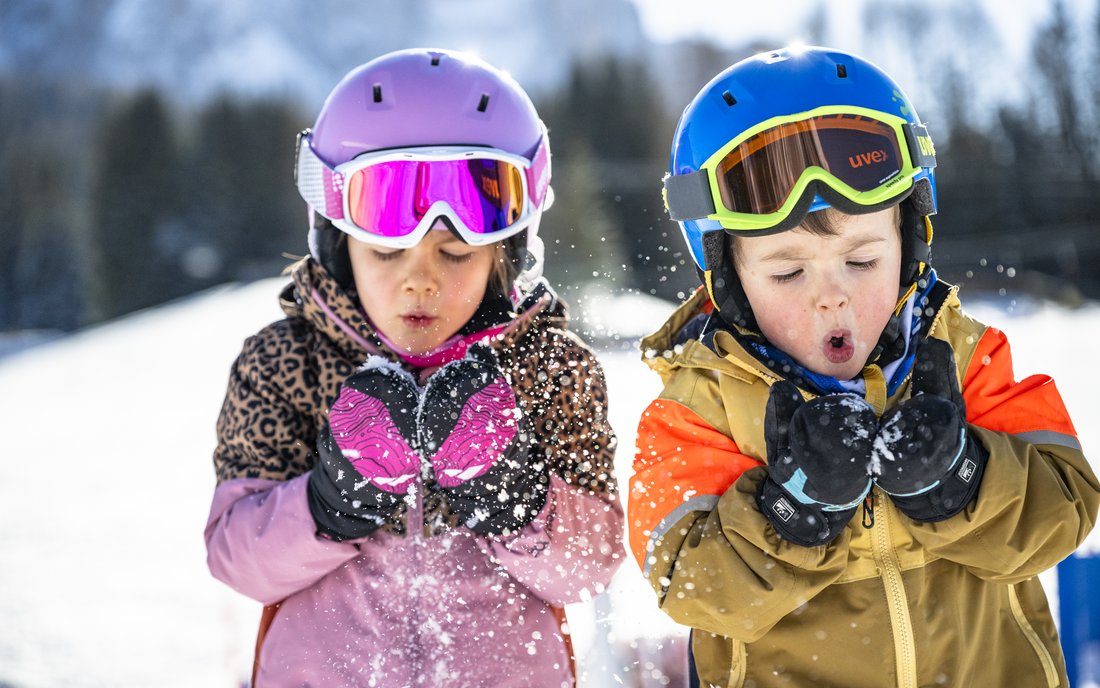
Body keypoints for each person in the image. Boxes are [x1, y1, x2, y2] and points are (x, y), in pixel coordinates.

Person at [628, 46, 1100, 688]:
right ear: (728, 278)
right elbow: (686, 584)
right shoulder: (696, 410)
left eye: (862, 261)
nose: (833, 296)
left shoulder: (964, 359)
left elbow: (1066, 511)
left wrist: (963, 480)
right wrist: (794, 510)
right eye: (789, 271)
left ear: (908, 242)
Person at [204, 48, 623, 688]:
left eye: (454, 253)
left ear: (506, 254)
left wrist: (518, 503)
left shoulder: (550, 368)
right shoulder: (286, 361)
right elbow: (237, 559)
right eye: (385, 251)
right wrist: (326, 504)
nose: (419, 283)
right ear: (337, 243)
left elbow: (592, 567)